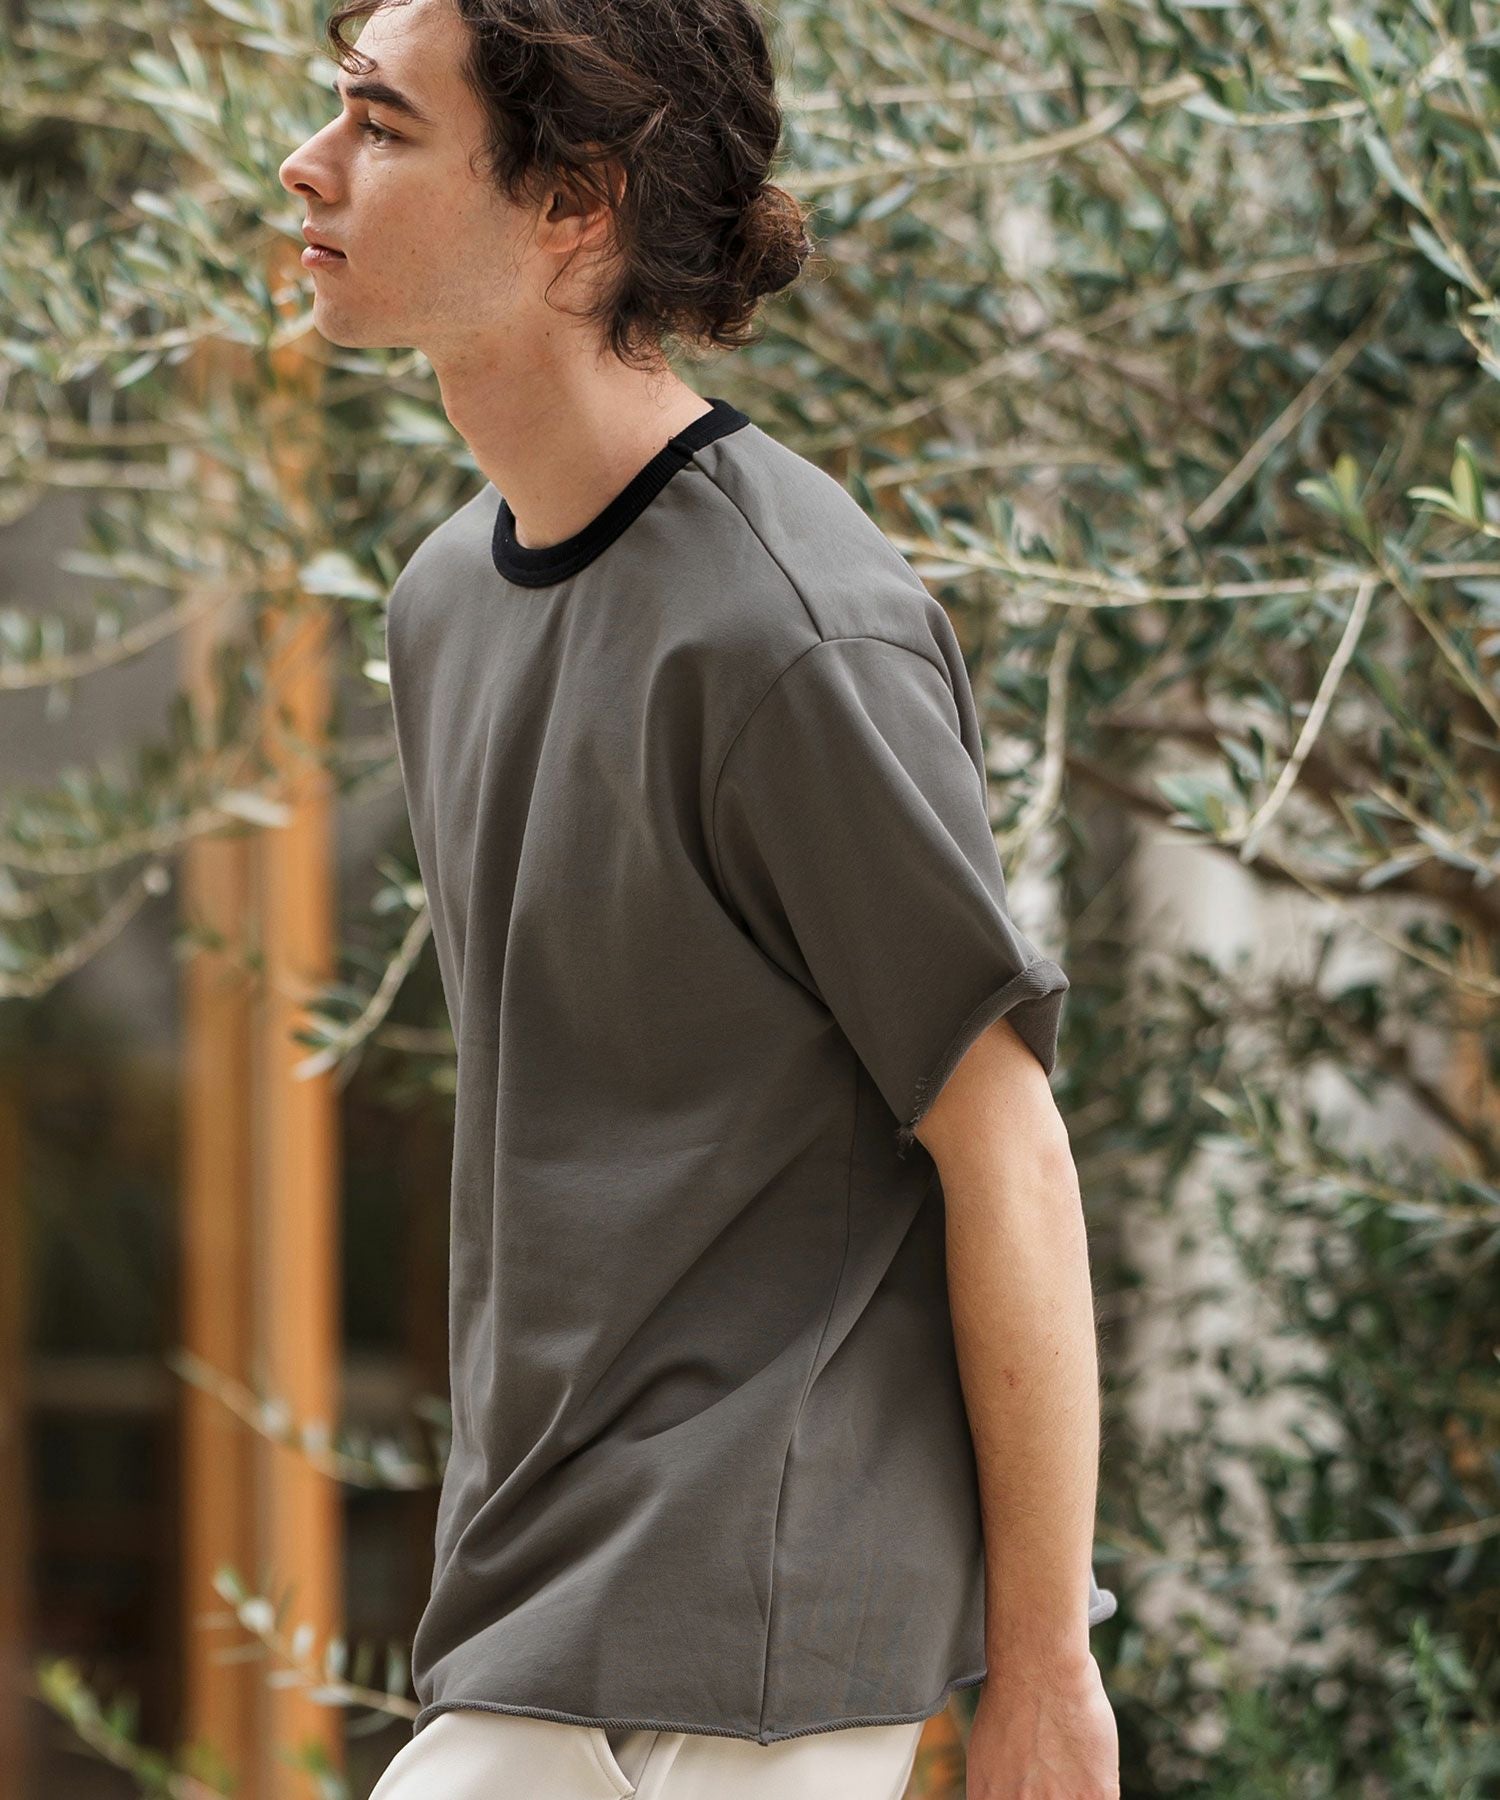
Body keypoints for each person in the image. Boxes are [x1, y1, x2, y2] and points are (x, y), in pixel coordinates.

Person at [278, 1, 1121, 1795]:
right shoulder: (446, 601)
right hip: (538, 1595)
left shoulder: (790, 633)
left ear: (575, 202)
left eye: (384, 124)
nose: (311, 163)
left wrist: (1047, 1670)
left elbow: (1007, 1146)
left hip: (756, 1626)